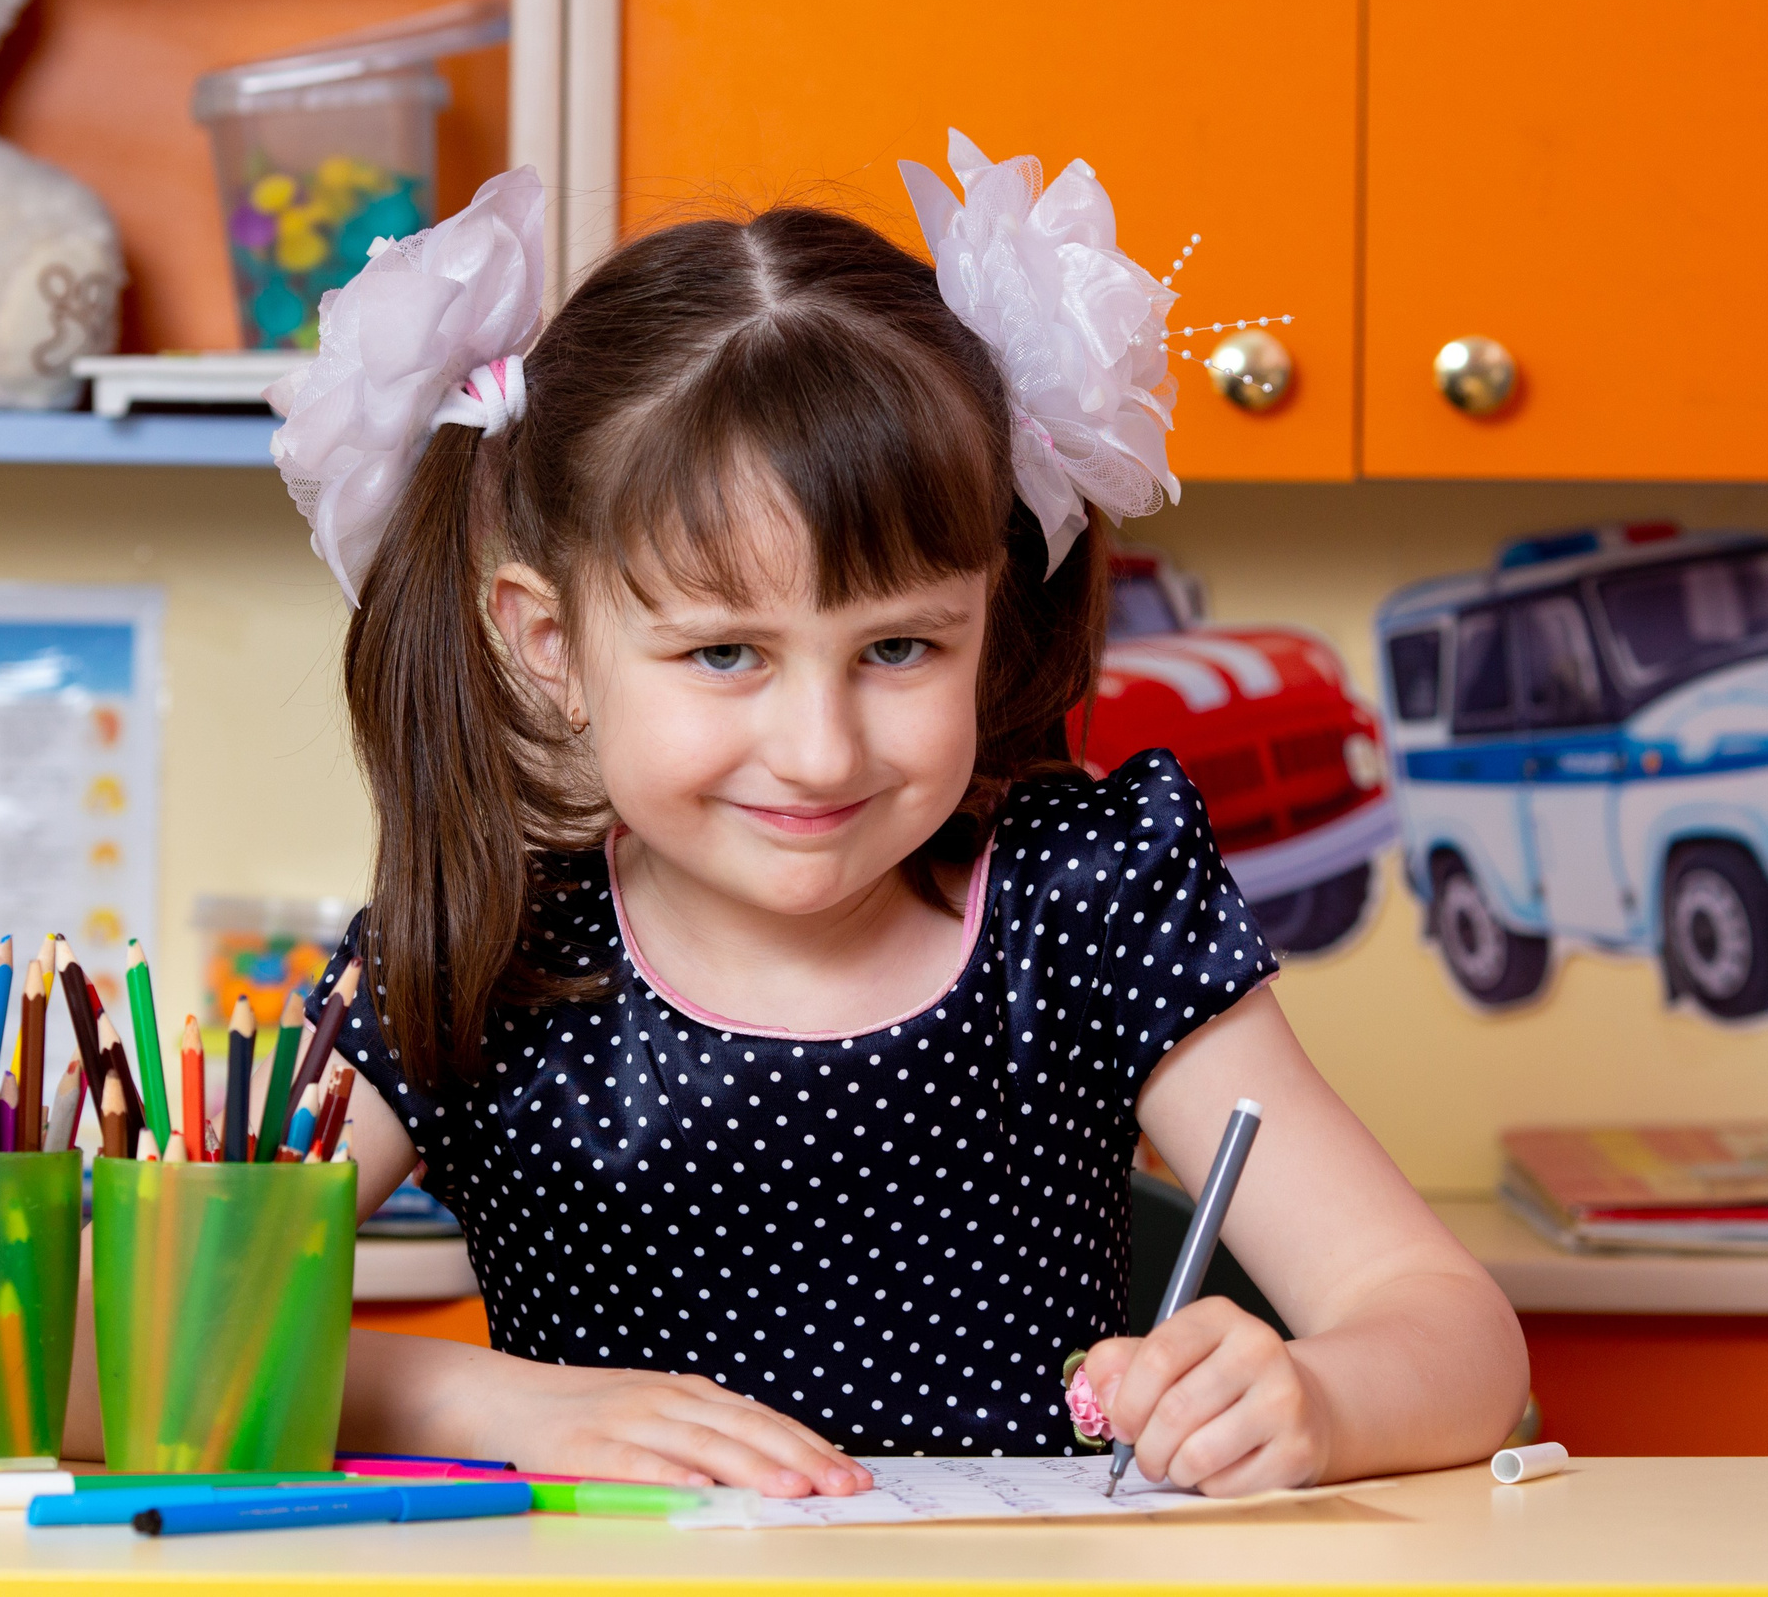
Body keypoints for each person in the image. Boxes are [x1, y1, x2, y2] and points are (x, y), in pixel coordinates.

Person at [267, 135, 1528, 1499]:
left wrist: (1316, 1396)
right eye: (726, 654)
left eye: (900, 649)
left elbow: (1456, 1335)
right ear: (551, 643)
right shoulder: (465, 954)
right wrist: (472, 1394)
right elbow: (108, 1347)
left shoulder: (1088, 902)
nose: (819, 752)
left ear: (991, 611)